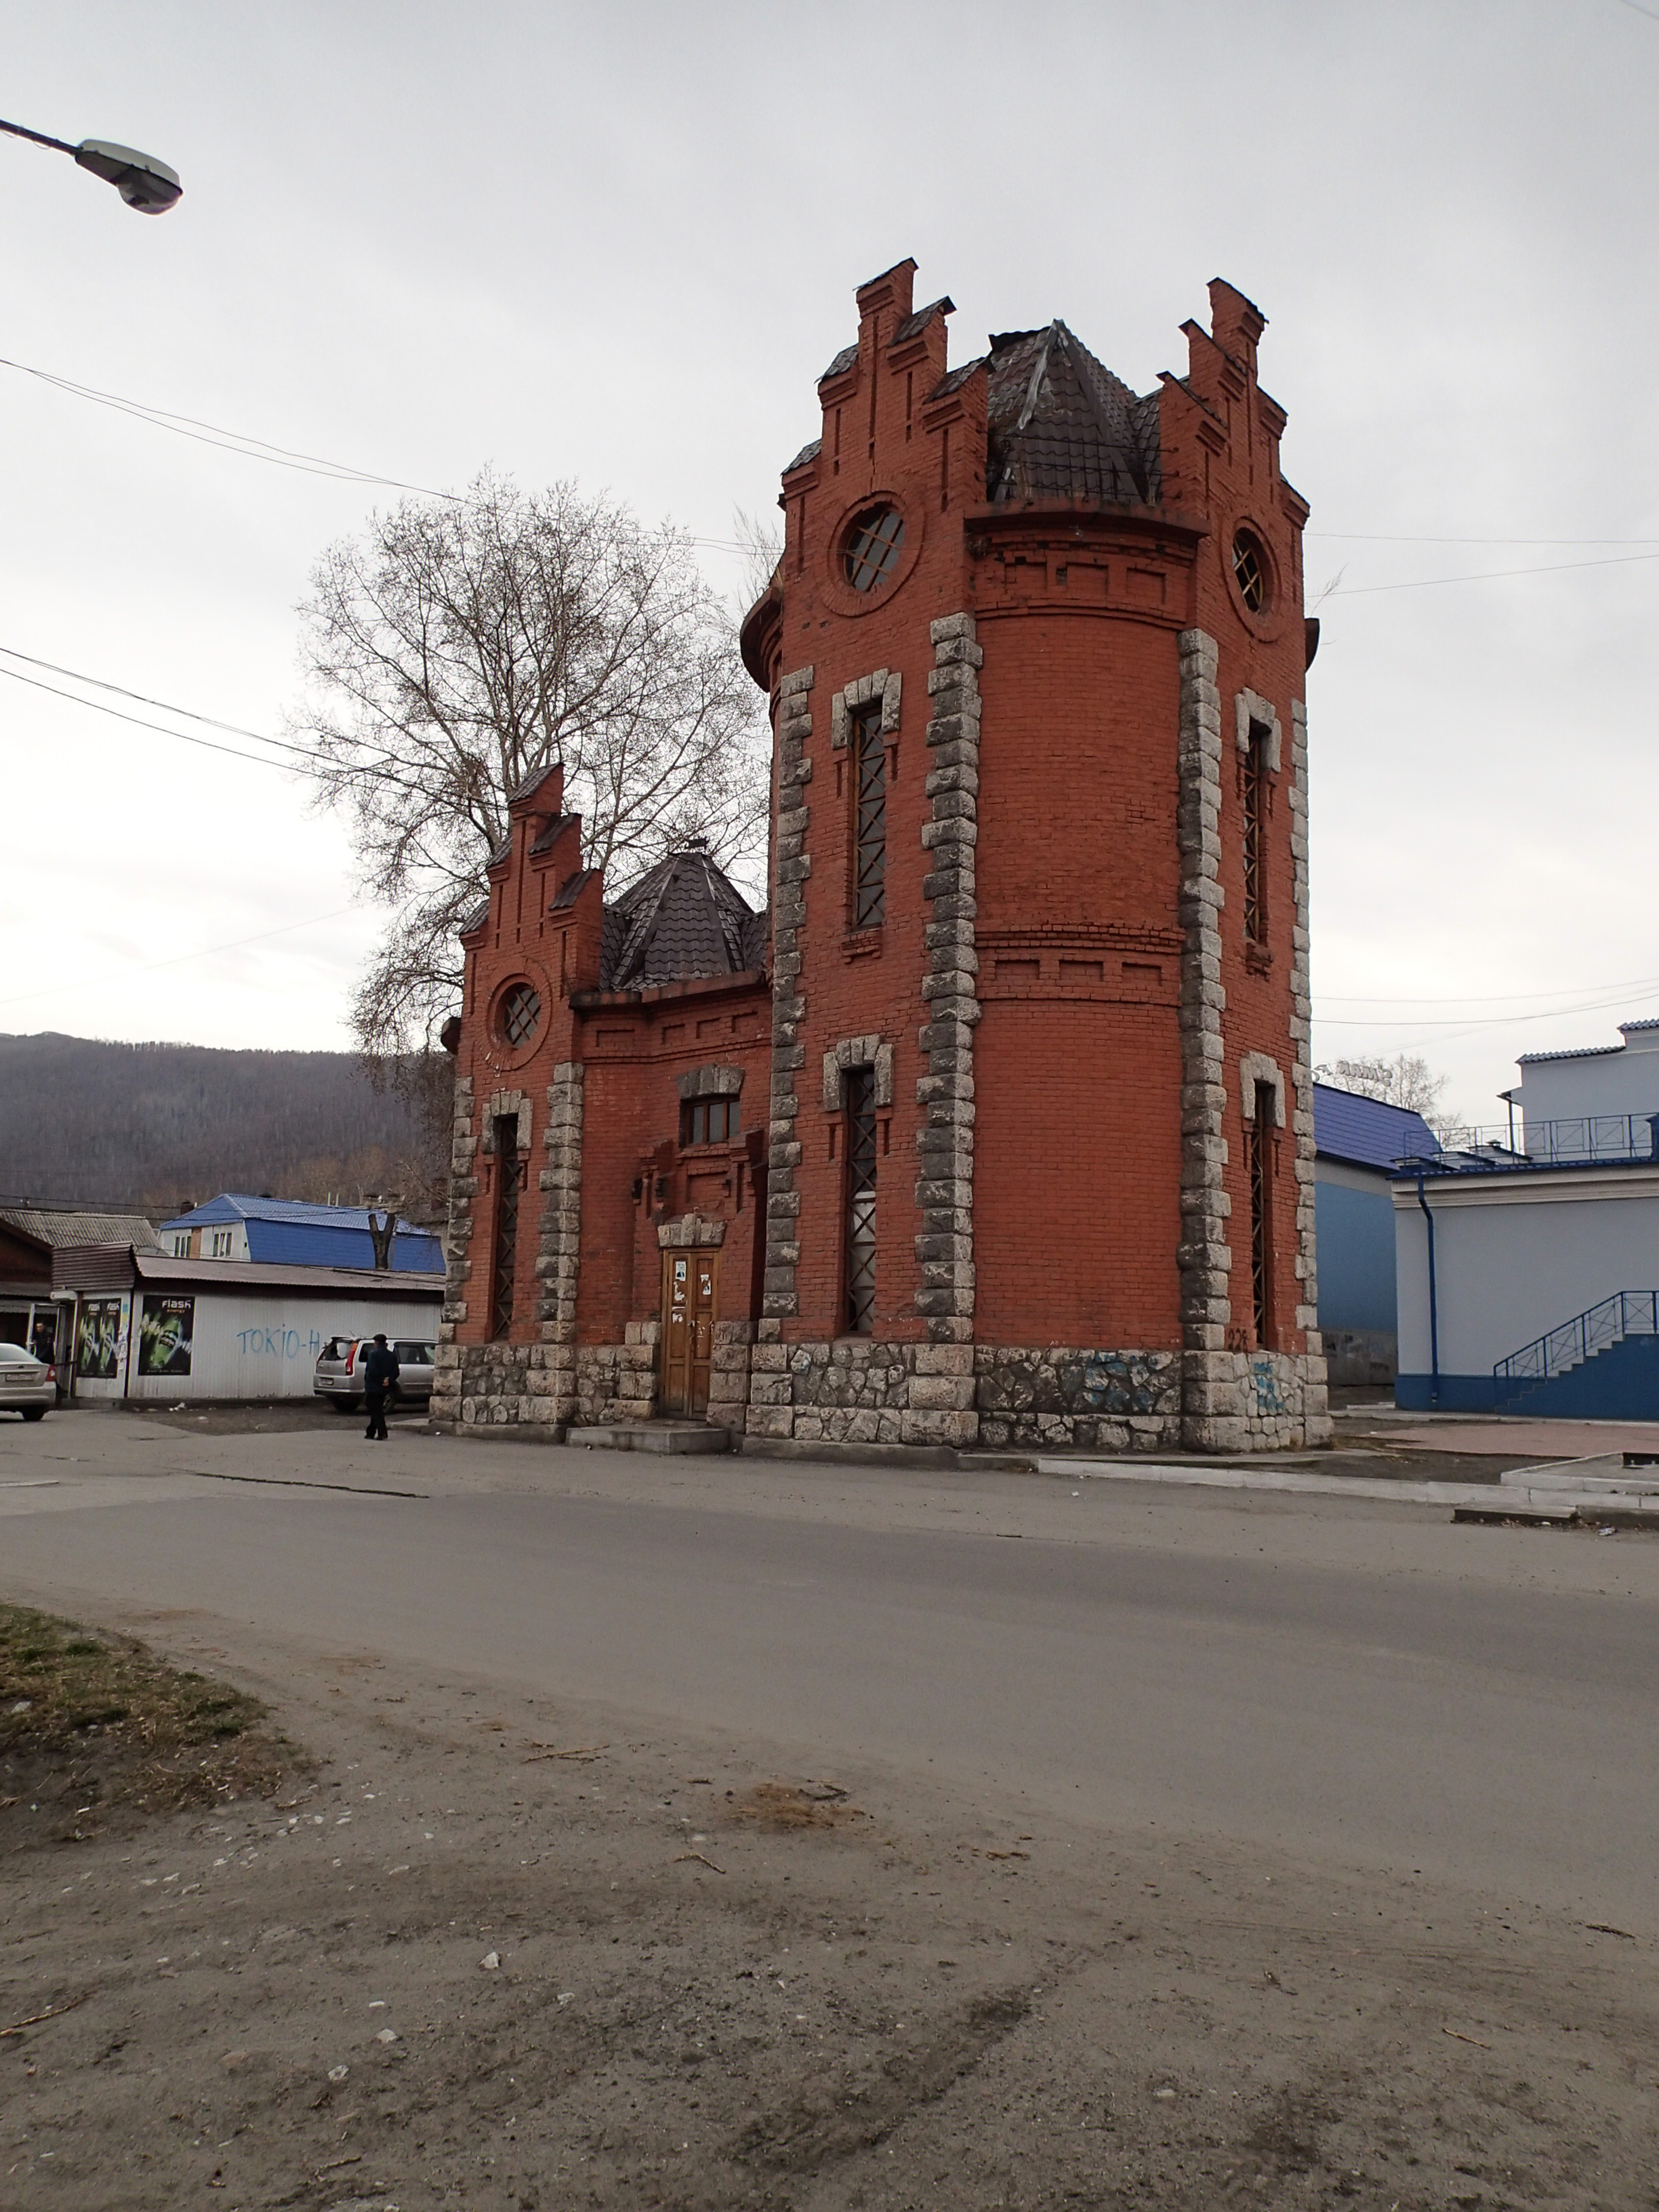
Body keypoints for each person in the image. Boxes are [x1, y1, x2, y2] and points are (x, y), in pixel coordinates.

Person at [362, 1332, 400, 1441]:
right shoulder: (392, 1355)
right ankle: (371, 1432)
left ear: (377, 1343)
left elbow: (372, 1370)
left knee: (373, 1407)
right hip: (385, 1387)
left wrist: (380, 1380)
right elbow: (396, 1371)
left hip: (373, 1386)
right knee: (377, 1408)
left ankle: (382, 1432)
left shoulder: (373, 1354)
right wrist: (389, 1380)